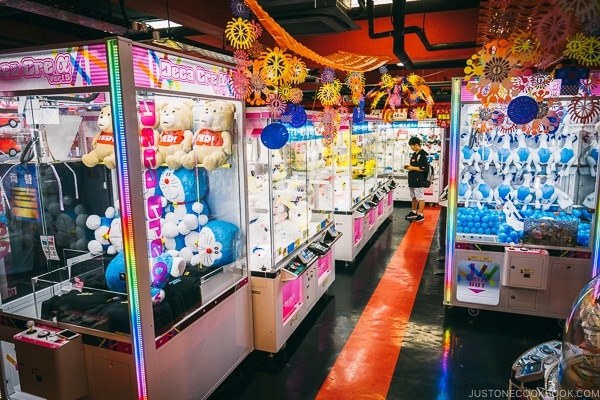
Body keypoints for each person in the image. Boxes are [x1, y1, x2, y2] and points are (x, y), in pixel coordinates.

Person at [404, 136, 429, 223]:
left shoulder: (422, 155)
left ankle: (421, 214)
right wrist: (409, 167)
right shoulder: (415, 154)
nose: (411, 147)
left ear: (416, 145)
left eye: (412, 145)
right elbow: (414, 166)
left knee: (420, 197)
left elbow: (423, 168)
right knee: (413, 196)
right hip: (413, 180)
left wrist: (412, 168)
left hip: (419, 180)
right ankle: (414, 211)